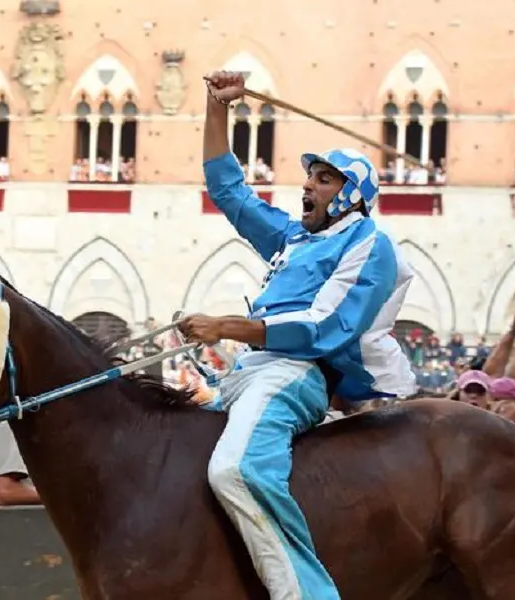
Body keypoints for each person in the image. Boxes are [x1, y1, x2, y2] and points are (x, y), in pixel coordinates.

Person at [177, 71, 416, 600]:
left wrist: (225, 327)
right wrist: (217, 108)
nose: (307, 185)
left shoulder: (370, 244)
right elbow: (228, 189)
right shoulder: (291, 238)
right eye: (310, 177)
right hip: (244, 376)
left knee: (236, 471)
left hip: (296, 376)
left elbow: (323, 330)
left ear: (351, 195)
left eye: (323, 179)